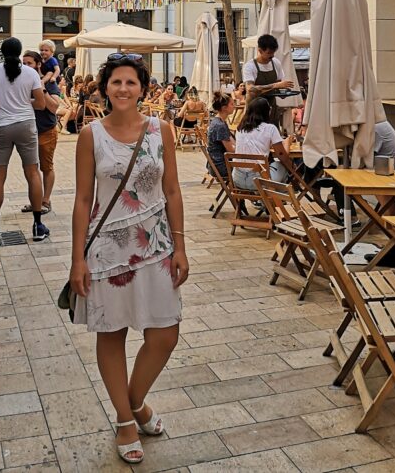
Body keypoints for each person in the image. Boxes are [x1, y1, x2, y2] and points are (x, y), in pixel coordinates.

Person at [69, 54, 188, 464]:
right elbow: (83, 200)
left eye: (131, 83)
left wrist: (181, 246)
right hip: (107, 251)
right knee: (112, 332)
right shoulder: (90, 135)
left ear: (142, 88)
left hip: (155, 246)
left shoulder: (162, 131)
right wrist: (76, 261)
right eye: (116, 82)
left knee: (164, 333)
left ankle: (135, 401)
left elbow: (172, 191)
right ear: (105, 88)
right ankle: (124, 418)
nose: (123, 89)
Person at [0, 37, 48, 243]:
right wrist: (25, 101)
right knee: (33, 173)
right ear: (20, 52)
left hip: (2, 126)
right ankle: (37, 225)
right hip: (26, 125)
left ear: (1, 51)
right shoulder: (31, 73)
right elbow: (41, 104)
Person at [22, 51, 61, 214]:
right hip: (29, 132)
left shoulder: (50, 83)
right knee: (31, 168)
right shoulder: (22, 83)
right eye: (23, 63)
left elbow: (54, 108)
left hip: (46, 131)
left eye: (29, 63)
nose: (25, 66)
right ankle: (35, 200)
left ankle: (46, 201)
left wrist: (42, 89)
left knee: (46, 167)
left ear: (38, 64)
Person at [232, 96, 293, 189]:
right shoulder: (270, 129)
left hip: (237, 179)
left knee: (273, 165)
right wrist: (287, 142)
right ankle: (276, 199)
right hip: (258, 181)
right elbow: (282, 156)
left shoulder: (240, 128)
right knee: (282, 166)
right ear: (267, 111)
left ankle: (268, 199)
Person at [242, 34, 294, 122]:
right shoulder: (250, 66)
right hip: (254, 110)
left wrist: (282, 93)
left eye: (273, 52)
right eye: (269, 53)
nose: (272, 56)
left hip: (270, 108)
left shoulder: (276, 63)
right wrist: (274, 86)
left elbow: (278, 85)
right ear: (260, 51)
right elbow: (250, 89)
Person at [207, 91, 236, 180]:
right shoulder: (220, 125)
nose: (234, 106)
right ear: (224, 108)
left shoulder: (218, 121)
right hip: (222, 167)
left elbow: (232, 141)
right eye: (231, 104)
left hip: (215, 165)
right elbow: (231, 151)